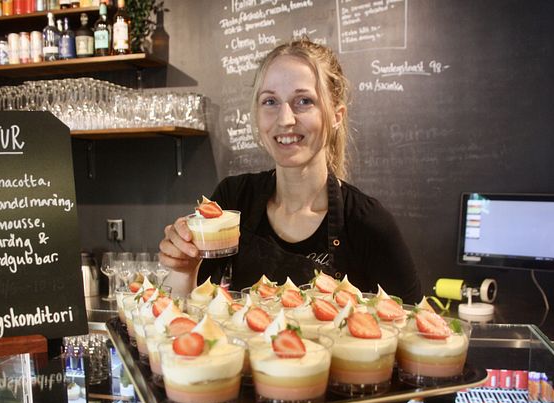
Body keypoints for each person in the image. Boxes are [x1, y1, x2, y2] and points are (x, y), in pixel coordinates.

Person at [159, 38, 422, 303]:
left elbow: (413, 328)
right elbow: (184, 320)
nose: (285, 119)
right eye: (270, 101)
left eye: (304, 101)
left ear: (336, 116)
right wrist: (183, 268)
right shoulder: (234, 200)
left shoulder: (368, 224)